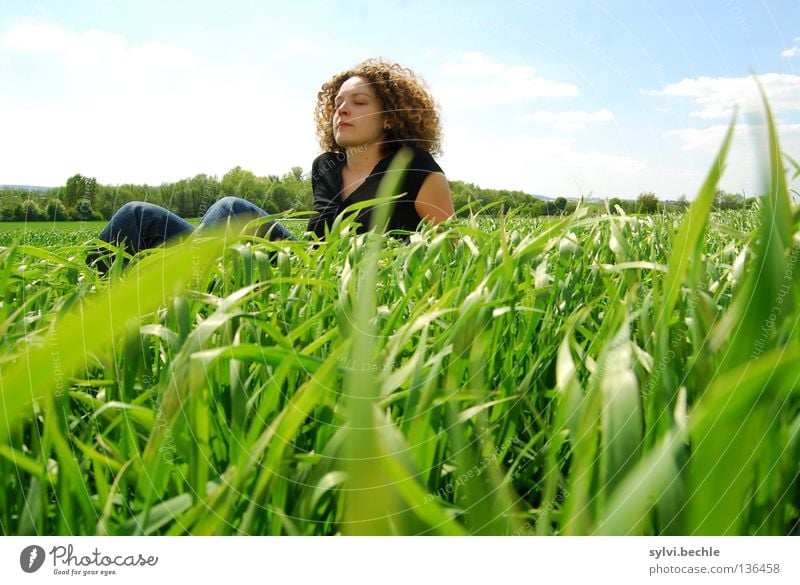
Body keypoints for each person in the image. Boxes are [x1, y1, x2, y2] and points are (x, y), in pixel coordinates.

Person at [89, 58, 455, 271]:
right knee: (137, 215)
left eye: (359, 102)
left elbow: (452, 253)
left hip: (336, 286)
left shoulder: (417, 167)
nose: (342, 110)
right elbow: (313, 245)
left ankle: (174, 295)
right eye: (339, 103)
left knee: (231, 209)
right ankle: (76, 317)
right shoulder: (325, 167)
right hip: (296, 267)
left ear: (390, 117)